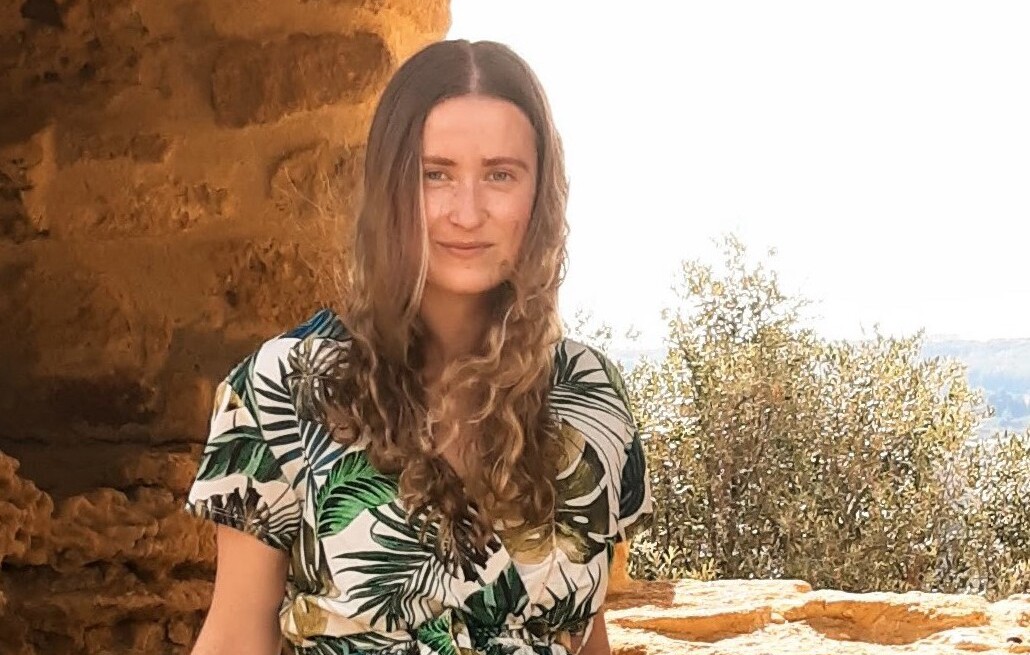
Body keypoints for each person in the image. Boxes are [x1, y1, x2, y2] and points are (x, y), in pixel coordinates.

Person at [183, 39, 653, 655]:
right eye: (435, 174)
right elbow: (235, 638)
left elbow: (586, 635)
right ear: (390, 189)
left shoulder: (591, 394)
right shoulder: (285, 387)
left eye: (500, 175)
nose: (467, 211)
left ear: (541, 194)